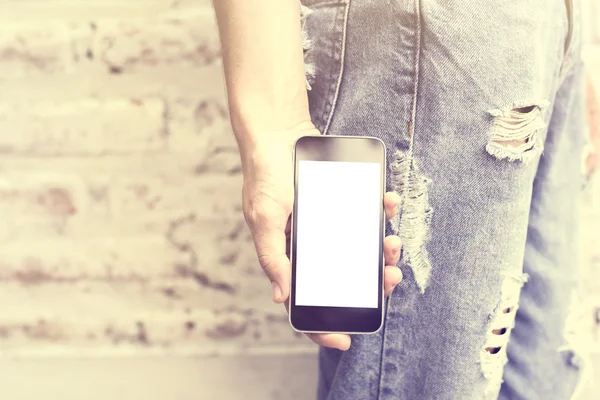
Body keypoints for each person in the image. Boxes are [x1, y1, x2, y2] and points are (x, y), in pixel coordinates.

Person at [213, 1, 593, 398]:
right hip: (432, 42)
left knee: (537, 376)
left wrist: (563, 43)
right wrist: (274, 123)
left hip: (544, 32)